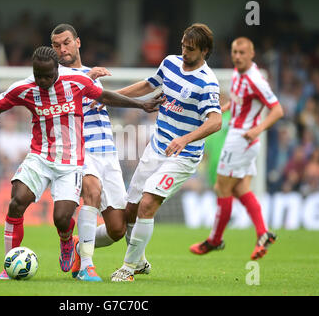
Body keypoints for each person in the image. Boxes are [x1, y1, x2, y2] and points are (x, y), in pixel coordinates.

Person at [0, 46, 162, 280]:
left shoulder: (75, 81)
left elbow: (104, 96)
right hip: (40, 157)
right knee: (16, 202)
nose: (42, 80)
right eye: (38, 74)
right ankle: (8, 266)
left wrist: (141, 105)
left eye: (47, 75)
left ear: (57, 70)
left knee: (62, 218)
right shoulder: (23, 88)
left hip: (71, 162)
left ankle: (66, 241)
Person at [110, 23, 222, 282]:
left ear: (204, 51)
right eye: (183, 44)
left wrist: (185, 138)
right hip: (156, 147)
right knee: (131, 210)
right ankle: (139, 260)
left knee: (148, 204)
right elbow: (148, 85)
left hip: (183, 156)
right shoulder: (170, 63)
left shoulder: (207, 83)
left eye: (191, 48)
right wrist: (109, 96)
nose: (184, 51)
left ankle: (128, 268)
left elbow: (216, 121)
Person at [50, 23, 153, 282]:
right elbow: (67, 102)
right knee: (92, 193)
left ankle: (78, 245)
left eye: (66, 43)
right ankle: (86, 265)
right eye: (56, 45)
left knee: (117, 228)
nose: (62, 49)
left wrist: (100, 87)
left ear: (78, 42)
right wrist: (91, 80)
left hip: (108, 152)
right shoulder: (53, 76)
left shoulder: (88, 74)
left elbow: (104, 98)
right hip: (81, 150)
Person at [189, 37, 284, 260]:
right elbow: (240, 101)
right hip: (242, 139)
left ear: (252, 55)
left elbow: (277, 110)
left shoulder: (256, 80)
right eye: (234, 52)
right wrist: (224, 108)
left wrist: (257, 129)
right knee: (241, 189)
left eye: (242, 52)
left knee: (222, 188)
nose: (238, 56)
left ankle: (214, 240)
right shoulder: (237, 75)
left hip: (241, 139)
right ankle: (263, 233)